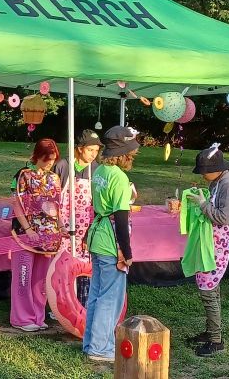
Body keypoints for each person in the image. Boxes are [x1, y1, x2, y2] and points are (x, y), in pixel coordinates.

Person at [82, 126, 139, 362]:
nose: (133, 157)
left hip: (97, 236)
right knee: (110, 298)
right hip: (110, 241)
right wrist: (126, 253)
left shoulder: (100, 171)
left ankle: (91, 343)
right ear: (124, 153)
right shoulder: (119, 177)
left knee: (96, 294)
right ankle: (100, 348)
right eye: (132, 154)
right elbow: (122, 217)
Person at [185, 143, 229, 357]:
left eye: (203, 173)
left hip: (219, 243)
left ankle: (216, 340)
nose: (202, 176)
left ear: (214, 170)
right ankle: (211, 332)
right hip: (211, 241)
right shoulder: (218, 181)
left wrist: (202, 205)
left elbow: (223, 217)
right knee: (211, 288)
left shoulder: (228, 185)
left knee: (208, 290)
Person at [10, 138, 63, 332]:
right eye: (47, 159)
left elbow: (57, 207)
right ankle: (22, 318)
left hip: (49, 238)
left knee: (42, 280)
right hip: (25, 236)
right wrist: (29, 229)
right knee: (24, 277)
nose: (50, 163)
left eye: (53, 159)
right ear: (38, 156)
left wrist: (61, 226)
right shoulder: (23, 175)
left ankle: (38, 316)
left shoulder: (54, 178)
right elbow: (16, 203)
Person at [54, 129, 102, 303]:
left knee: (84, 265)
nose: (93, 154)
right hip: (65, 224)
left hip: (86, 225)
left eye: (96, 151)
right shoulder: (64, 165)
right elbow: (54, 196)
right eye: (90, 150)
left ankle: (83, 302)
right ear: (80, 148)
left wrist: (92, 228)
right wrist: (58, 222)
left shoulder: (96, 169)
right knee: (63, 264)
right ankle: (62, 303)